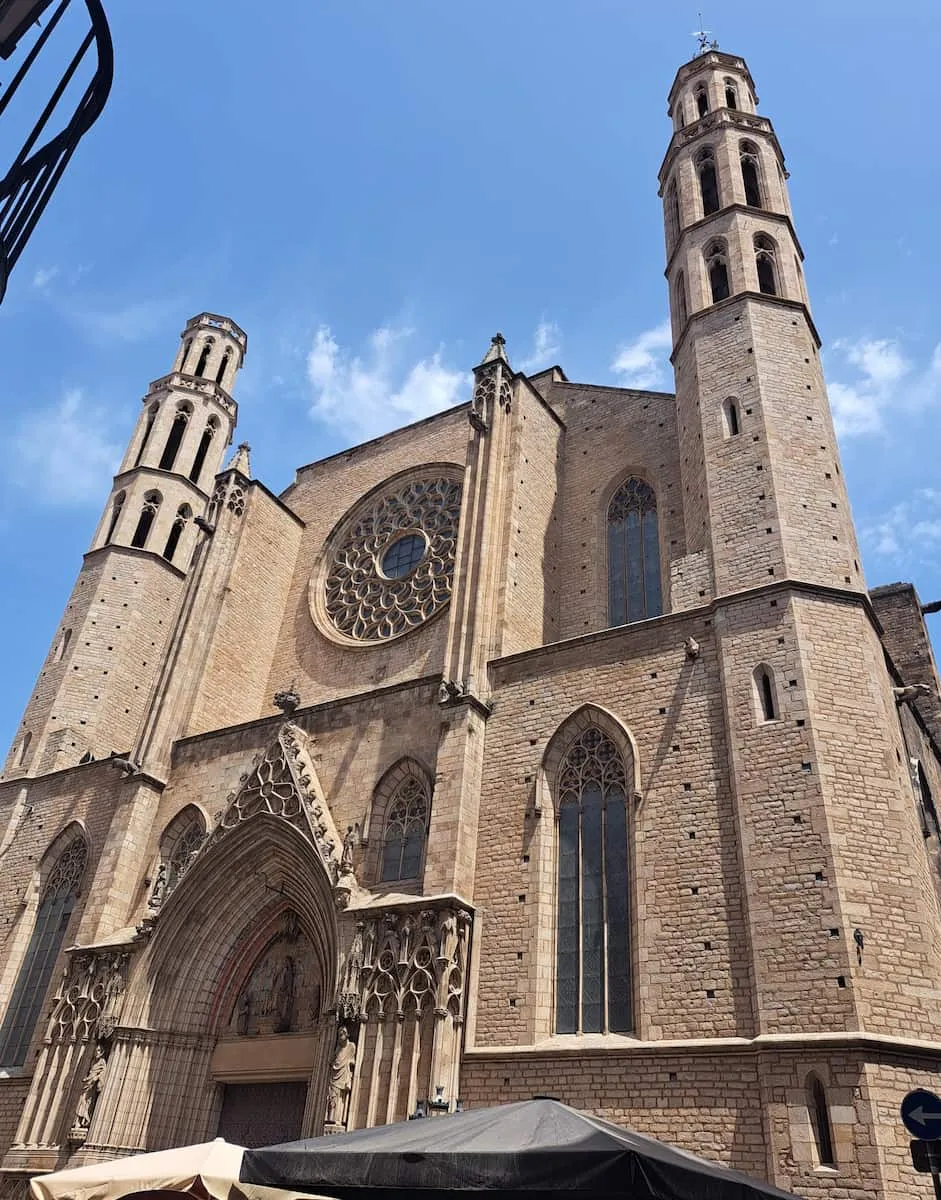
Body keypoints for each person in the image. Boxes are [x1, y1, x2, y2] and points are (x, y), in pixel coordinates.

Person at [326, 1025, 356, 1125]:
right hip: (334, 1075)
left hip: (343, 1074)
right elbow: (332, 1059)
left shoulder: (351, 1046)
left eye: (342, 1034)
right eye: (339, 1034)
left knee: (340, 1098)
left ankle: (338, 1120)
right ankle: (331, 1118)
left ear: (347, 1035)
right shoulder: (338, 1048)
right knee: (332, 1097)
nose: (340, 1036)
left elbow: (353, 1060)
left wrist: (348, 1063)